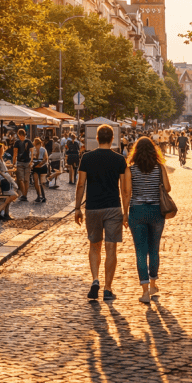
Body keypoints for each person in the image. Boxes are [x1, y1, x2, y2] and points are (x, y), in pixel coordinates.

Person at [75, 125, 130, 301]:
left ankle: (95, 280)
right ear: (113, 139)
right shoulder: (120, 159)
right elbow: (125, 189)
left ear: (97, 138)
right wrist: (126, 212)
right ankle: (107, 288)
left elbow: (81, 184)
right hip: (113, 207)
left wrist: (77, 207)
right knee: (111, 247)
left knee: (94, 245)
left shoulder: (86, 157)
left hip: (92, 207)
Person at [127, 136, 169, 304]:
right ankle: (153, 284)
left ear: (135, 151)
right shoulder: (159, 167)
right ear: (154, 151)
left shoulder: (131, 169)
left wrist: (125, 212)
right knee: (154, 249)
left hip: (137, 211)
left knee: (140, 251)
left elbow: (127, 192)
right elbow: (168, 188)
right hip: (156, 210)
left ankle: (145, 292)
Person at [0, 143, 19, 221]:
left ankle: (6, 214)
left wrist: (8, 170)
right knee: (12, 196)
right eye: (2, 148)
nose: (3, 150)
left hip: (5, 180)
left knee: (8, 197)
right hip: (3, 181)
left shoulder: (0, 158)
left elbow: (2, 170)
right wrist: (6, 173)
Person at [12, 129, 34, 201]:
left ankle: (24, 195)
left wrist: (13, 163)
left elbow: (15, 153)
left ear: (19, 134)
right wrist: (31, 161)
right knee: (25, 180)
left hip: (20, 162)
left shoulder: (17, 142)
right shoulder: (29, 142)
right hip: (27, 163)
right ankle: (24, 195)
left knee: (22, 179)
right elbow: (32, 153)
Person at [30, 138, 48, 203]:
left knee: (39, 182)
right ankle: (41, 196)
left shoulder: (41, 149)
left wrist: (39, 164)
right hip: (39, 166)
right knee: (38, 182)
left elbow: (45, 159)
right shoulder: (41, 149)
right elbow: (45, 159)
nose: (37, 145)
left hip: (39, 166)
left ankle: (41, 196)